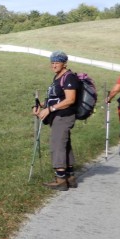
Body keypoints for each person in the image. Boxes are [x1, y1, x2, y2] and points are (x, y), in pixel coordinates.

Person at [33, 50, 80, 190]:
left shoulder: (69, 77)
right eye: (52, 63)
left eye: (57, 63)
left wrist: (49, 109)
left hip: (64, 116)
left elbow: (70, 100)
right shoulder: (58, 78)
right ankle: (70, 177)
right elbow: (56, 99)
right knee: (65, 145)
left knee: (57, 145)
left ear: (64, 63)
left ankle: (60, 180)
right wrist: (41, 106)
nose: (54, 65)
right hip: (58, 115)